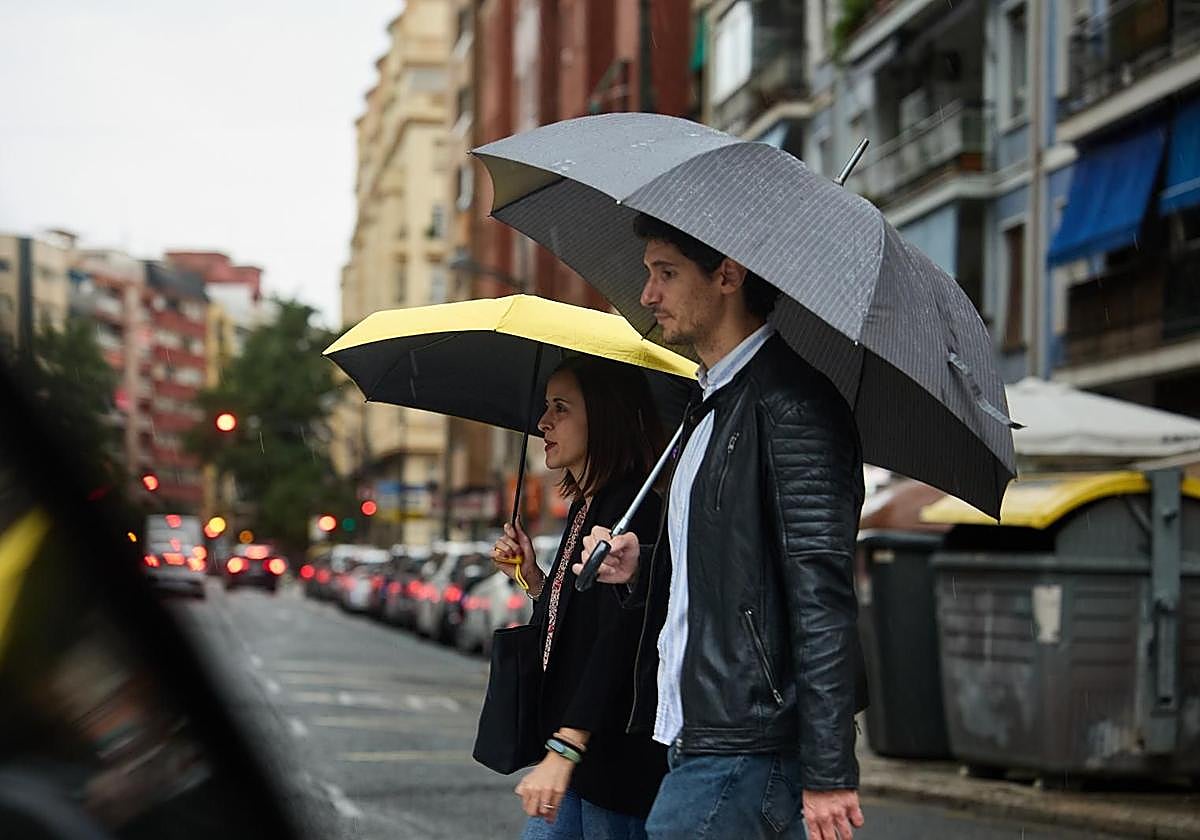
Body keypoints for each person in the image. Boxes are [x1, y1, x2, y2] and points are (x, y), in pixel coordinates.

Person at [575, 214, 867, 840]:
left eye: (667, 273)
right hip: (699, 734)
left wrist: (829, 770)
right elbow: (730, 572)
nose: (648, 295)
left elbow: (822, 598)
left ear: (728, 275)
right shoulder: (710, 404)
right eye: (649, 274)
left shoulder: (791, 406)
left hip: (747, 743)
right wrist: (643, 564)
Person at [493, 354, 670, 840]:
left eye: (561, 408)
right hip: (576, 757)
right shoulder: (586, 506)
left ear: (604, 417)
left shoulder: (632, 508)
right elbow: (575, 621)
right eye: (546, 406)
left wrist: (567, 747)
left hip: (612, 762)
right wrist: (534, 578)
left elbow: (618, 641)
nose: (543, 422)